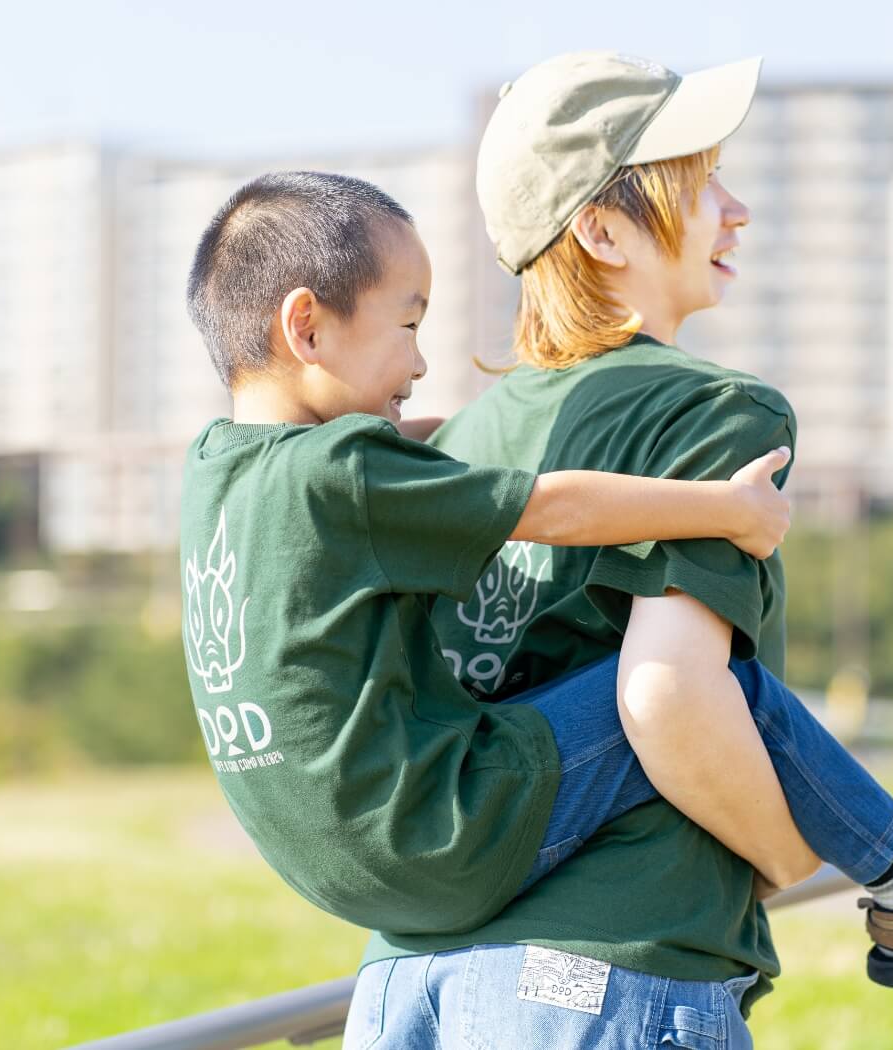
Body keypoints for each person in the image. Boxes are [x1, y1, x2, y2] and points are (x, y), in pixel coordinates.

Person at [348, 52, 893, 1048]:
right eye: (701, 187)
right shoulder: (712, 415)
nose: (735, 212)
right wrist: (797, 863)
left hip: (410, 982)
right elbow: (668, 696)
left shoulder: (460, 445)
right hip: (606, 975)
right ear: (602, 231)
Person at [177, 169, 797, 936]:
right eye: (407, 327)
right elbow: (556, 508)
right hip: (443, 829)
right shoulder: (345, 472)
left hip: (339, 875)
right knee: (709, 686)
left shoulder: (214, 469)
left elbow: (397, 460)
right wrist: (726, 508)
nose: (421, 363)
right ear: (306, 327)